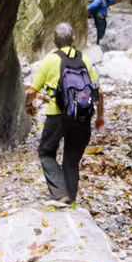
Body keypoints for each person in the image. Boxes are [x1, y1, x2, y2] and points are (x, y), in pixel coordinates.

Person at [24, 23, 104, 205]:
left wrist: (27, 106)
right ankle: (71, 199)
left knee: (46, 152)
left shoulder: (50, 60)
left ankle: (61, 193)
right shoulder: (86, 60)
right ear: (73, 39)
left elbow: (31, 92)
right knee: (72, 158)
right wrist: (100, 116)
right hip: (83, 115)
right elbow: (98, 92)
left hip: (57, 114)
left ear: (54, 41)